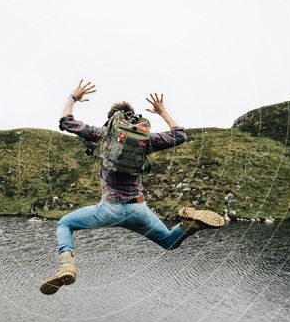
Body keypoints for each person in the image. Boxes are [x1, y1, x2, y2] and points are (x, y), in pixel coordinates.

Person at [40, 79, 225, 295]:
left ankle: (67, 266)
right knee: (168, 243)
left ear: (111, 120)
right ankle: (188, 225)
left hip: (109, 209)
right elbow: (179, 135)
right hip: (138, 209)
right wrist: (162, 111)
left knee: (65, 224)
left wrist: (73, 97)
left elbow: (65, 122)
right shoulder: (145, 140)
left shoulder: (102, 134)